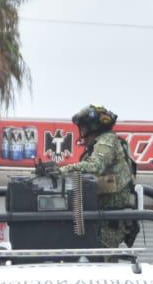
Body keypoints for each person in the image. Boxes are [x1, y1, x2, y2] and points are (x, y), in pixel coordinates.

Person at [59, 104, 138, 247]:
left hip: (110, 221)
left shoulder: (107, 140)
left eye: (83, 127)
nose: (82, 131)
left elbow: (94, 167)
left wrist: (60, 171)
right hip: (101, 217)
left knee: (98, 258)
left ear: (92, 127)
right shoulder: (103, 143)